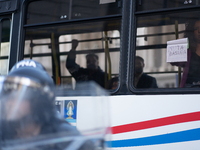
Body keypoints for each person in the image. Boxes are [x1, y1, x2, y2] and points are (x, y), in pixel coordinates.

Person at [0, 59, 95, 150]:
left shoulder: (67, 140)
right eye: (8, 94)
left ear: (38, 101)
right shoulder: (4, 133)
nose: (9, 103)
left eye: (18, 96)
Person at [171, 18, 200, 87]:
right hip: (189, 89)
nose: (199, 31)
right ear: (192, 31)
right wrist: (177, 47)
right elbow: (174, 62)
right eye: (196, 28)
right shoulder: (188, 49)